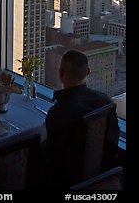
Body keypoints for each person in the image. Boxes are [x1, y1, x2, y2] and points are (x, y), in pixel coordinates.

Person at [42, 49, 120, 188]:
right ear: (88, 72)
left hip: (67, 182)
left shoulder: (58, 112)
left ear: (61, 73)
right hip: (104, 177)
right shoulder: (105, 101)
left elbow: (52, 158)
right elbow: (114, 139)